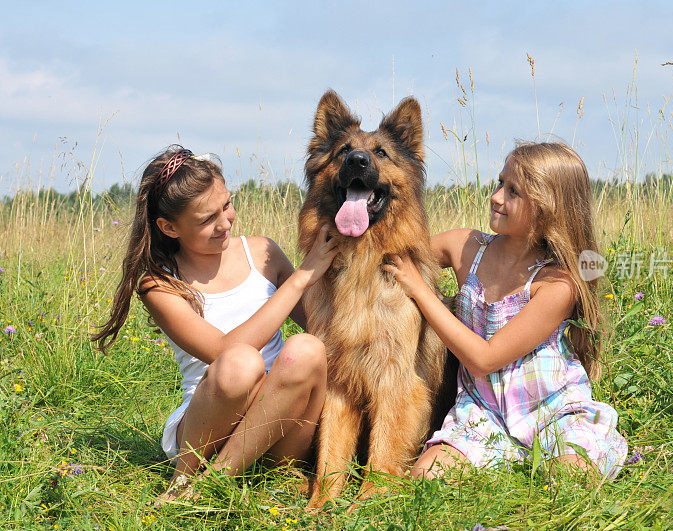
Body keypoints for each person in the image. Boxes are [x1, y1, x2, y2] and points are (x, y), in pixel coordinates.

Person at [92, 146, 338, 502]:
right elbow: (224, 352)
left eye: (226, 205)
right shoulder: (159, 283)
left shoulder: (262, 252)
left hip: (279, 428)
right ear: (169, 227)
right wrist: (299, 279)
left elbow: (322, 328)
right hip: (208, 431)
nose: (225, 222)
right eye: (208, 219)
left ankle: (209, 485)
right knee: (241, 362)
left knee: (308, 348)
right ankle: (186, 479)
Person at [383, 142, 627, 480]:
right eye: (501, 183)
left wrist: (420, 291)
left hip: (552, 411)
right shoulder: (466, 246)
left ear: (548, 209)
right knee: (427, 476)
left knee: (571, 477)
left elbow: (484, 360)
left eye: (514, 192)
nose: (497, 197)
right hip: (480, 412)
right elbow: (395, 252)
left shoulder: (557, 283)